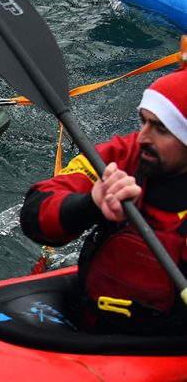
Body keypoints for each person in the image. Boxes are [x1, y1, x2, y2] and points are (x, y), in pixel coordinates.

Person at [20, 68, 187, 334]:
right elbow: (35, 212)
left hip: (167, 341)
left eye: (161, 129)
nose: (143, 137)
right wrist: (91, 205)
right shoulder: (124, 155)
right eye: (143, 121)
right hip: (92, 318)